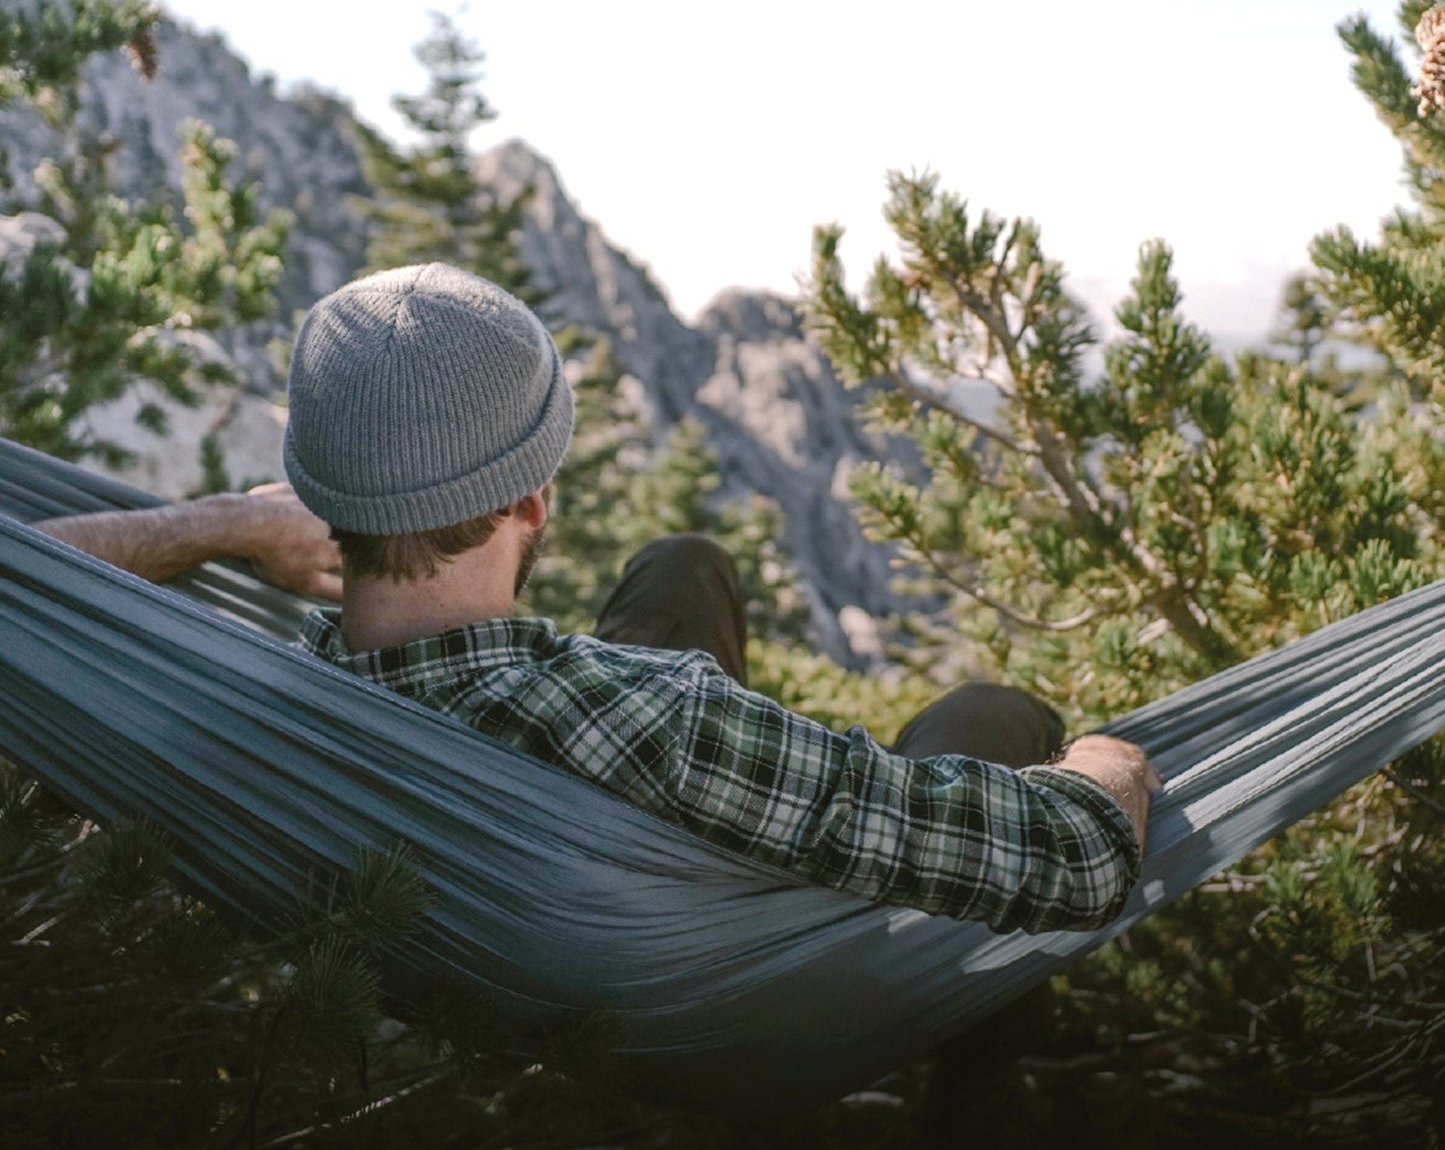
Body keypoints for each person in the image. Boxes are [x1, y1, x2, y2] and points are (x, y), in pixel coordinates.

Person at [38, 262, 1158, 947]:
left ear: (316, 492)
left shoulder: (250, 679)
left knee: (681, 564)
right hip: (708, 961)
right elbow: (1069, 859)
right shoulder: (663, 717)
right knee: (995, 713)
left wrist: (217, 521)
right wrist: (1107, 764)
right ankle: (983, 1093)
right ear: (533, 496)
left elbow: (17, 570)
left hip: (469, 863)